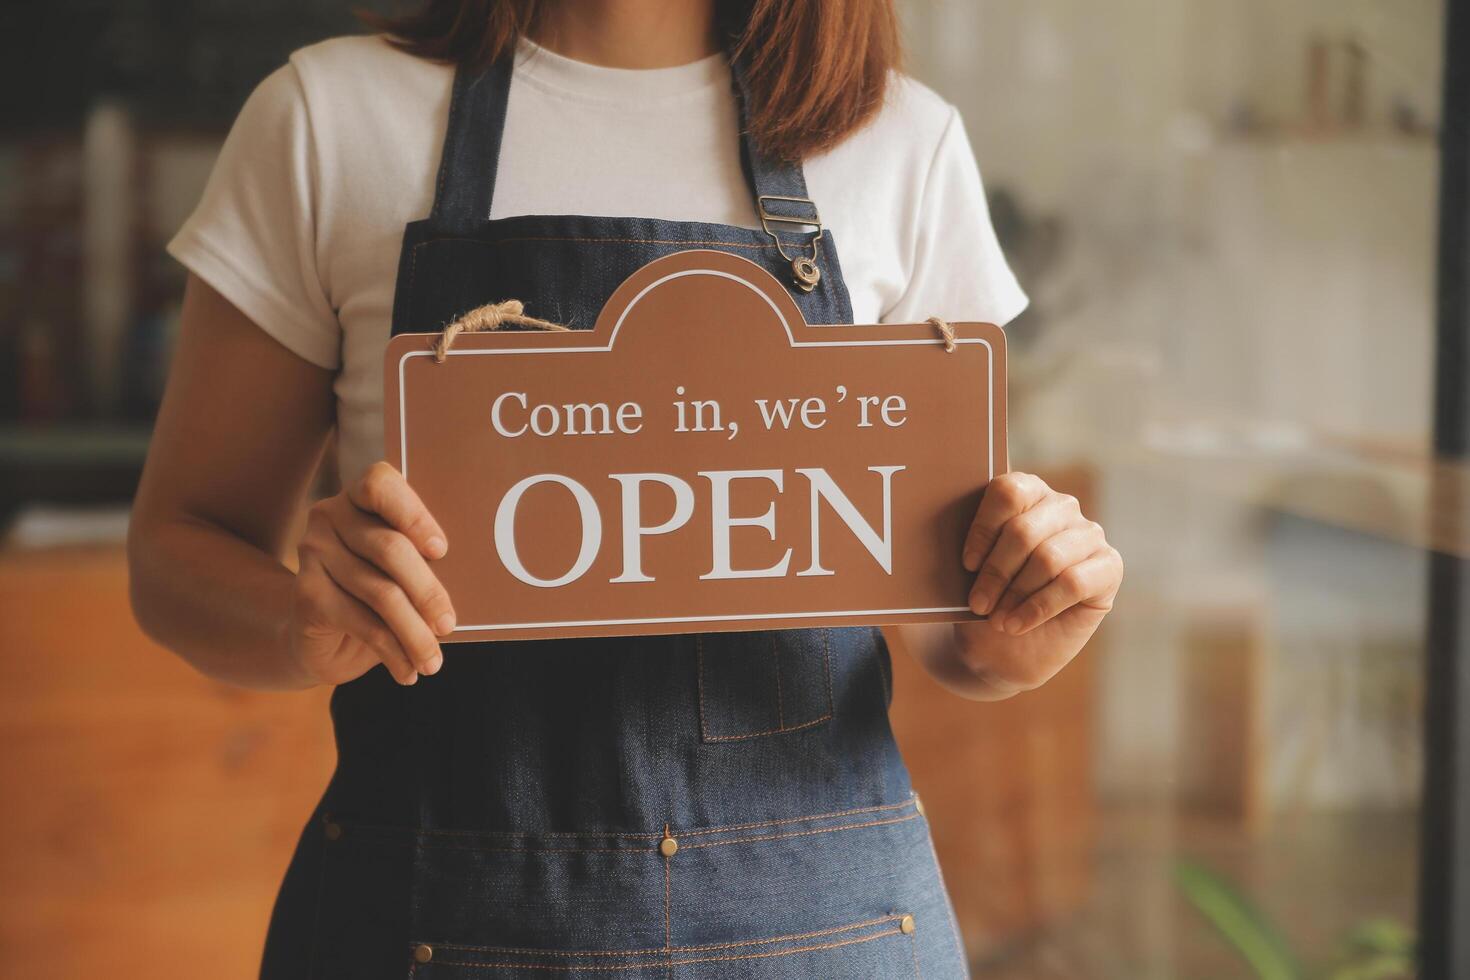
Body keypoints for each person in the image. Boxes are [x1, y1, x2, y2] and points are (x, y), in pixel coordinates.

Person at [128, 1, 1123, 976]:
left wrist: (1014, 633)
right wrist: (297, 623)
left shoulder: (900, 140)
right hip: (430, 917)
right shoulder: (327, 118)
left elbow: (954, 629)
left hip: (829, 932)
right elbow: (179, 545)